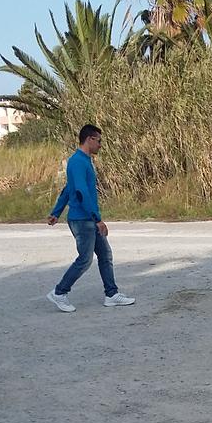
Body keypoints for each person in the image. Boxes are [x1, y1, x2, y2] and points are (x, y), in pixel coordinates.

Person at [45, 124, 134, 313]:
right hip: (82, 219)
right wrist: (97, 219)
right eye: (99, 141)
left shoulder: (85, 161)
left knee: (105, 255)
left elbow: (67, 189)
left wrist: (56, 212)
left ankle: (111, 294)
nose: (101, 145)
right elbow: (79, 192)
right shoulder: (77, 162)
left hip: (88, 218)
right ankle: (59, 292)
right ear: (90, 139)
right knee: (85, 259)